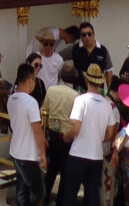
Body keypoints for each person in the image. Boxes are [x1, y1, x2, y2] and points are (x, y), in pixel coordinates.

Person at [61, 63, 119, 206]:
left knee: (69, 195)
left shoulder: (81, 100)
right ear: (100, 83)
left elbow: (75, 129)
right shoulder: (107, 105)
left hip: (78, 154)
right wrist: (99, 138)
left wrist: (65, 137)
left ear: (86, 81)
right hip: (96, 156)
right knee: (92, 196)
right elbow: (111, 132)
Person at [8, 63, 48, 206]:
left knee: (21, 190)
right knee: (38, 192)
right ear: (30, 79)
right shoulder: (31, 102)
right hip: (27, 155)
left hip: (16, 150)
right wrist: (42, 153)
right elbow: (37, 129)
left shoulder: (11, 98)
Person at [40, 63, 79, 204]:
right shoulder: (76, 96)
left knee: (50, 172)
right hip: (67, 137)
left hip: (52, 134)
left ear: (60, 76)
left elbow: (44, 110)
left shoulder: (51, 90)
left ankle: (43, 199)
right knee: (65, 173)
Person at [72, 21, 114, 91]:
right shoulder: (75, 49)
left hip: (98, 89)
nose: (87, 37)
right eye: (84, 35)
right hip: (79, 89)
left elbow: (109, 71)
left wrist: (109, 91)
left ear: (94, 34)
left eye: (89, 34)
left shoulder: (103, 50)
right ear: (80, 37)